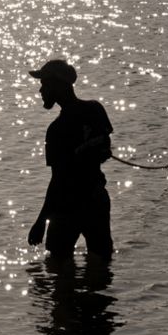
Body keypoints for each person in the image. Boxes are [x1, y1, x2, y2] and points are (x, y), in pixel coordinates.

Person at [27, 59, 114, 262]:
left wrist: (41, 222)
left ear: (58, 85)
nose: (40, 91)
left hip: (67, 208)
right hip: (96, 200)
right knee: (101, 263)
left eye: (44, 85)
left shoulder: (57, 130)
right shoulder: (95, 110)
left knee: (57, 269)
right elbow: (105, 147)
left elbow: (58, 180)